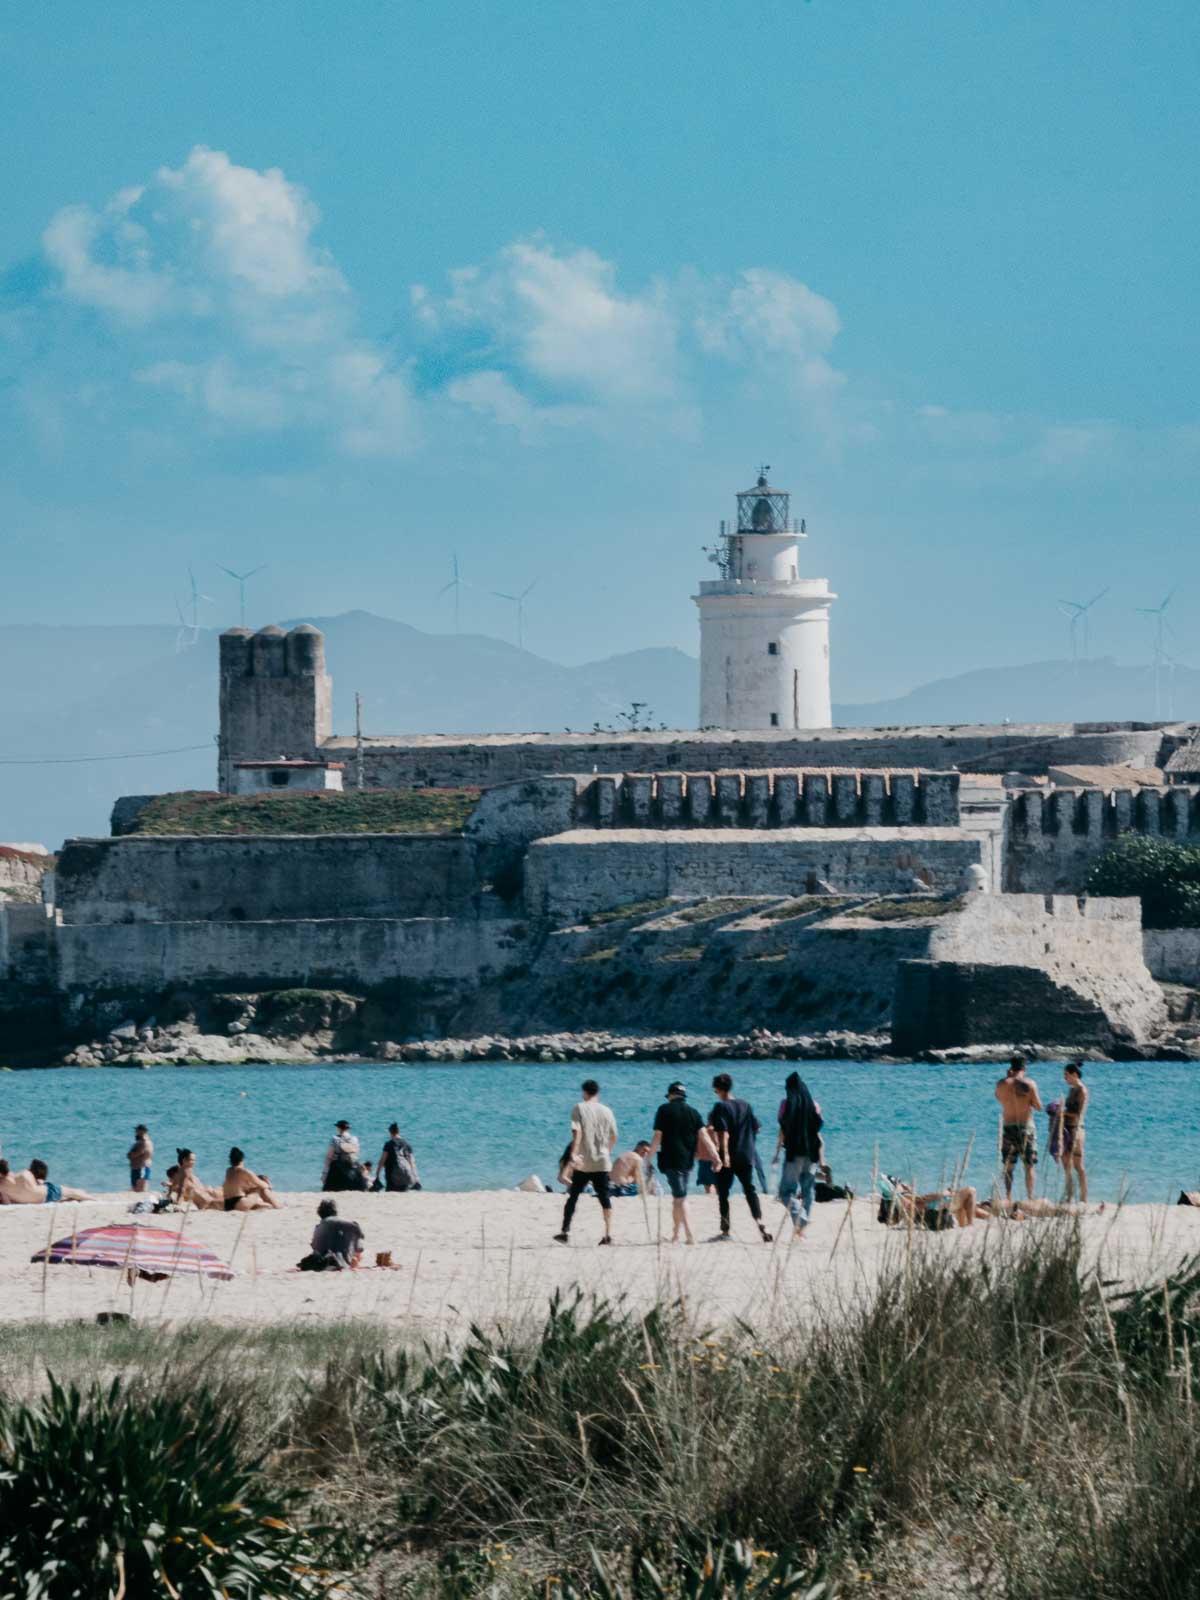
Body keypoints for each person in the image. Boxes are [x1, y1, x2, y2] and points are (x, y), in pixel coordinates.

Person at [708, 1073, 773, 1243]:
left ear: (719, 1089)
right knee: (749, 1189)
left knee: (723, 1192)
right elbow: (756, 1127)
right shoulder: (746, 1105)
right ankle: (760, 1221)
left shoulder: (720, 1107)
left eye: (715, 1090)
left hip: (728, 1155)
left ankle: (725, 1230)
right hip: (746, 1154)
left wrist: (725, 1155)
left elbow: (723, 1133)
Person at [554, 1079, 617, 1245]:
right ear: (597, 1092)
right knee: (604, 1198)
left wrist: (574, 1154)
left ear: (585, 1092)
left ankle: (565, 1231)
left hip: (584, 1161)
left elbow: (577, 1134)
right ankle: (607, 1234)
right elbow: (614, 1136)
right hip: (602, 1161)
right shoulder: (607, 1111)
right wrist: (607, 1152)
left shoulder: (579, 1108)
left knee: (573, 1196)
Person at [646, 1081, 703, 1245]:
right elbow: (703, 1135)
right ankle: (676, 1236)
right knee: (678, 1198)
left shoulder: (663, 1110)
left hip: (671, 1161)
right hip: (688, 1161)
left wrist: (649, 1157)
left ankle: (690, 1236)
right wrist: (715, 1155)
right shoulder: (694, 1112)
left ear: (671, 1095)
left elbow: (658, 1136)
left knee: (681, 1198)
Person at [773, 1071, 823, 1239]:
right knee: (808, 1189)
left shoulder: (785, 1105)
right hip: (812, 1153)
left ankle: (801, 1220)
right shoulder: (814, 1105)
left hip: (794, 1153)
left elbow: (782, 1131)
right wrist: (823, 1158)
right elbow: (817, 1132)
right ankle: (801, 1230)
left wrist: (777, 1152)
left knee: (786, 1192)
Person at [995, 1055, 1042, 1202]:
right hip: (1025, 1126)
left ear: (1010, 1068)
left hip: (1008, 1126)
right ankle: (1029, 1197)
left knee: (1009, 1166)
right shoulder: (1029, 1084)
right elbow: (1038, 1106)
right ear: (1024, 1068)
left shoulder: (1001, 1084)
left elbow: (999, 1098)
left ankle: (1008, 1197)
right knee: (1029, 1165)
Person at [0, 1158, 92, 1204]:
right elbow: (38, 1182)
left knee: (70, 1194)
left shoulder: (2, 1188)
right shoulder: (23, 1174)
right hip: (47, 1193)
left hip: (43, 1198)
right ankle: (93, 1199)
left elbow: (8, 1203)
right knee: (71, 1192)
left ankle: (87, 1196)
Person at [1060, 1061, 1089, 1202]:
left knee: (1078, 1165)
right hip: (1068, 1128)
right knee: (1065, 1162)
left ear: (1074, 1074)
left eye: (1066, 1075)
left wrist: (1061, 1113)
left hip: (1076, 1129)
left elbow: (1078, 1113)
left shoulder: (1082, 1090)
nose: (1065, 1078)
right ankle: (1070, 1195)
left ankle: (1083, 1198)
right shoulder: (1072, 1089)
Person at [307, 1198, 365, 1269]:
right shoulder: (350, 1224)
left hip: (323, 1261)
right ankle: (352, 1261)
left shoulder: (319, 1227)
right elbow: (359, 1247)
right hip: (343, 1261)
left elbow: (315, 1247)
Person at [223, 1147, 282, 1211]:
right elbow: (263, 1185)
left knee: (263, 1204)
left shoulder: (228, 1170)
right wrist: (268, 1183)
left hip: (227, 1205)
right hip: (240, 1203)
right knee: (261, 1188)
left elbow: (238, 1186)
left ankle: (270, 1205)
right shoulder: (245, 1171)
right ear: (242, 1159)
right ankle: (277, 1205)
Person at [374, 1123, 420, 1192]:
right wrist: (416, 1178)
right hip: (406, 1176)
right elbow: (412, 1163)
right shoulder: (407, 1144)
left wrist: (377, 1174)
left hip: (392, 1177)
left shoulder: (389, 1144)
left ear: (390, 1132)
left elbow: (382, 1160)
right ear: (398, 1131)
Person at [322, 1121, 365, 1192]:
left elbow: (329, 1157)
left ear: (338, 1128)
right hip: (353, 1168)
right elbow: (356, 1154)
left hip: (337, 1169)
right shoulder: (354, 1139)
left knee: (331, 1191)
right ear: (348, 1129)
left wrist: (324, 1173)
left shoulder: (335, 1139)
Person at [126, 1125, 153, 1193]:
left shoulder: (143, 1143)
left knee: (140, 1190)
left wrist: (129, 1155)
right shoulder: (144, 1142)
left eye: (137, 1131)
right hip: (139, 1168)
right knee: (138, 1189)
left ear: (142, 1132)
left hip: (141, 1168)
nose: (135, 1133)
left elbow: (136, 1153)